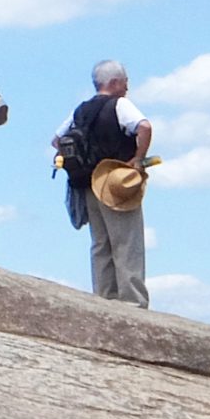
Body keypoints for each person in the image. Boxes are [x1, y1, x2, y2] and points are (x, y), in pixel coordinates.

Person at [53, 60, 154, 305]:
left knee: (100, 243)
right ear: (114, 82)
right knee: (127, 242)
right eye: (125, 82)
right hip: (116, 182)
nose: (127, 87)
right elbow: (144, 127)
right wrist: (138, 160)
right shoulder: (120, 104)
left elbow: (57, 140)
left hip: (87, 183)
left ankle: (104, 298)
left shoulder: (80, 110)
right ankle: (132, 301)